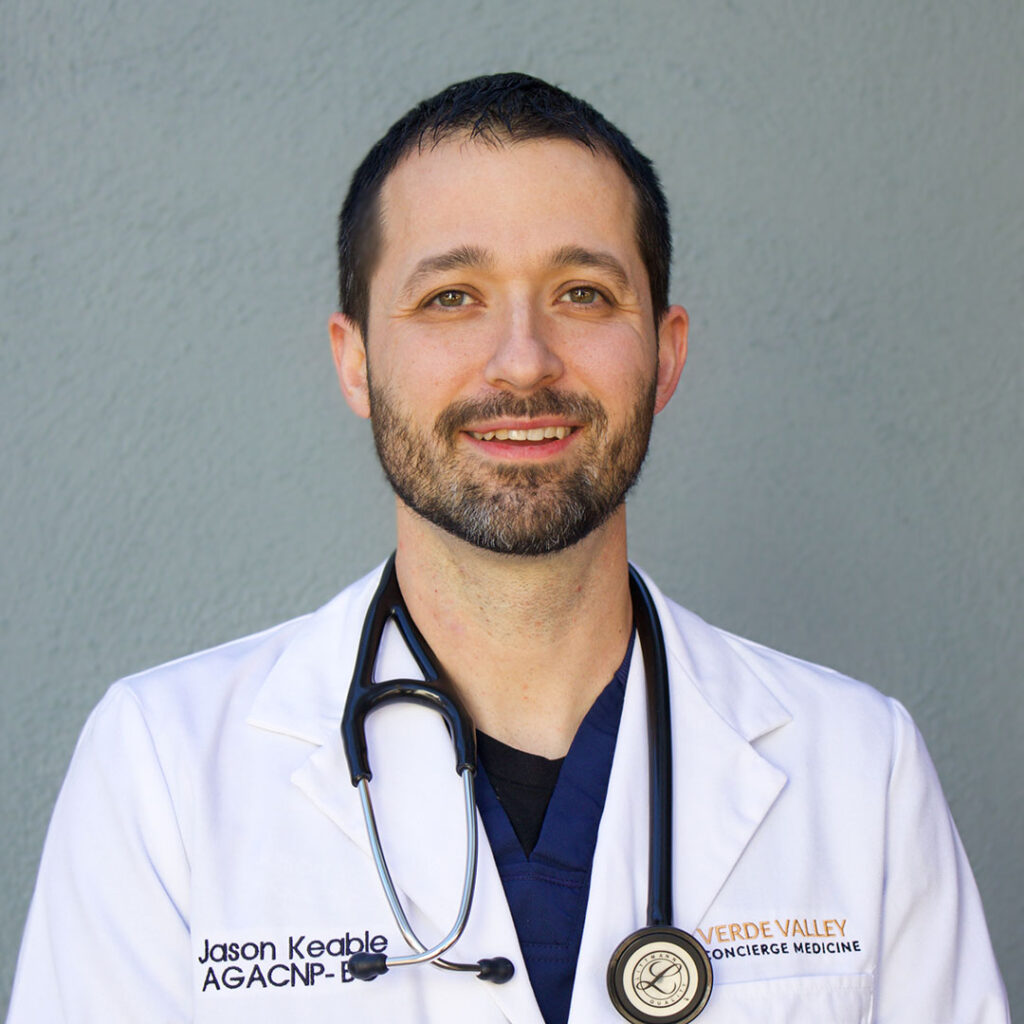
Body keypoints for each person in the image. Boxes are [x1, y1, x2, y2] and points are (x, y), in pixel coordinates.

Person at [8, 73, 1008, 1024]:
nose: (522, 361)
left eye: (581, 292)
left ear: (664, 355)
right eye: (452, 297)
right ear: (355, 361)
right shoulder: (164, 769)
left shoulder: (857, 767)